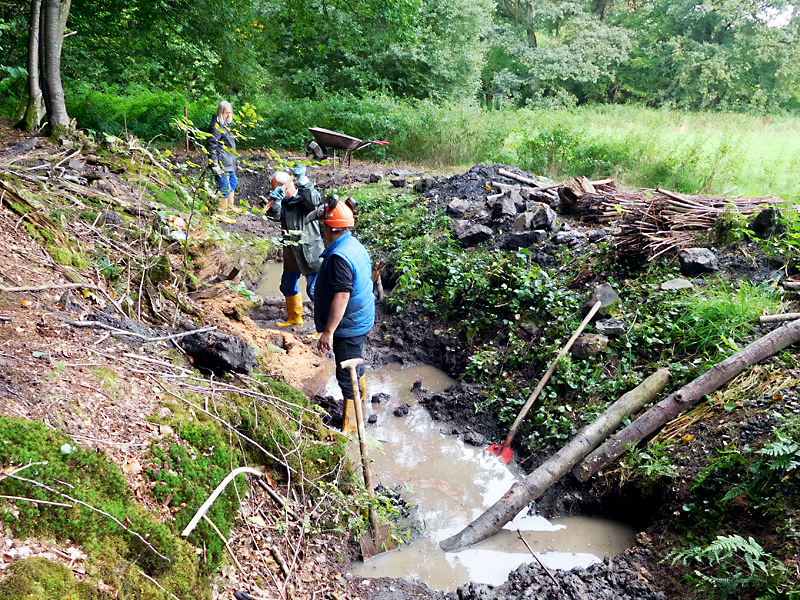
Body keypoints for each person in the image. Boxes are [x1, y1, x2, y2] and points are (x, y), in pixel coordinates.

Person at [307, 196, 375, 432]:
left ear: (328, 227)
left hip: (349, 324)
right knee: (355, 365)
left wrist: (329, 331)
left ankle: (353, 427)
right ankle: (360, 411)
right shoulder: (353, 244)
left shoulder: (338, 257)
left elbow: (343, 295)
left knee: (347, 373)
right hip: (361, 316)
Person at [267, 166, 324, 327]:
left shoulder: (304, 200)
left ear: (286, 185)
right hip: (292, 255)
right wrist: (276, 203)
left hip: (311, 254)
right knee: (286, 285)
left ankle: (324, 327)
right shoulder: (283, 202)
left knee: (315, 292)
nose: (274, 191)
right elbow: (274, 216)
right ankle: (295, 317)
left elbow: (314, 202)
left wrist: (304, 181)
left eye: (275, 188)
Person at [207, 100, 239, 216]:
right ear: (221, 112)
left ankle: (229, 207)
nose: (229, 115)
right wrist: (214, 164)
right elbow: (211, 146)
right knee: (224, 188)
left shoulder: (226, 125)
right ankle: (222, 214)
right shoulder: (216, 126)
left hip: (228, 162)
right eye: (226, 113)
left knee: (233, 181)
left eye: (230, 113)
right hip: (221, 163)